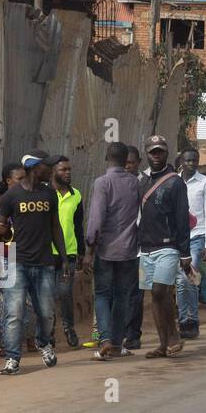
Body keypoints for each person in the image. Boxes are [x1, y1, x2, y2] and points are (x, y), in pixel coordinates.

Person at [0, 150, 68, 375]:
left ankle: (44, 343)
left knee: (45, 312)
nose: (51, 170)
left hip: (44, 262)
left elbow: (55, 227)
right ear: (35, 168)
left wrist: (63, 258)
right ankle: (12, 359)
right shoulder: (11, 196)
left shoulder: (49, 194)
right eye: (48, 166)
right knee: (13, 313)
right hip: (16, 262)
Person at [137, 135, 193, 359]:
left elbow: (182, 218)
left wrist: (185, 252)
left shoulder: (175, 182)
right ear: (147, 154)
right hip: (145, 248)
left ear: (166, 153)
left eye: (160, 151)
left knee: (162, 290)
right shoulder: (142, 181)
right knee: (155, 296)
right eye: (153, 152)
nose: (156, 155)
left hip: (168, 247)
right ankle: (163, 344)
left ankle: (174, 336)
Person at [85, 142, 141, 360]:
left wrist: (90, 249)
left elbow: (96, 219)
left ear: (106, 156)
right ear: (125, 158)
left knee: (102, 293)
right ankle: (117, 343)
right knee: (122, 296)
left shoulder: (102, 182)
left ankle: (106, 339)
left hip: (105, 248)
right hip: (128, 248)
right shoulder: (135, 183)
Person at [0, 162, 33, 356]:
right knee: (6, 302)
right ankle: (5, 342)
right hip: (6, 255)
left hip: (26, 255)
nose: (24, 182)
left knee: (29, 301)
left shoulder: (29, 199)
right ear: (8, 181)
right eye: (19, 178)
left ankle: (29, 338)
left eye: (25, 178)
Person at [175, 148, 206, 340]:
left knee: (187, 278)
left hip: (196, 236)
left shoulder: (205, 183)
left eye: (195, 160)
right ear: (182, 162)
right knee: (180, 281)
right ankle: (186, 321)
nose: (192, 163)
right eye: (188, 160)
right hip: (175, 238)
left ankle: (188, 319)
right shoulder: (173, 181)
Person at [50, 156, 85, 349]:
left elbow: (79, 225)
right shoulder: (45, 194)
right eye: (63, 170)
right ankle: (49, 332)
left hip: (69, 253)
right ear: (53, 172)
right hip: (47, 253)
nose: (68, 173)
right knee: (48, 295)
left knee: (64, 293)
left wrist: (81, 251)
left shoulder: (76, 195)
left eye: (69, 169)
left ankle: (68, 327)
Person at [122, 145, 145, 349]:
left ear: (138, 163)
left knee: (136, 293)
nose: (128, 166)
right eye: (125, 163)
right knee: (121, 291)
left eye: (131, 162)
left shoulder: (145, 183)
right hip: (119, 248)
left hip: (141, 249)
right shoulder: (116, 183)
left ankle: (133, 334)